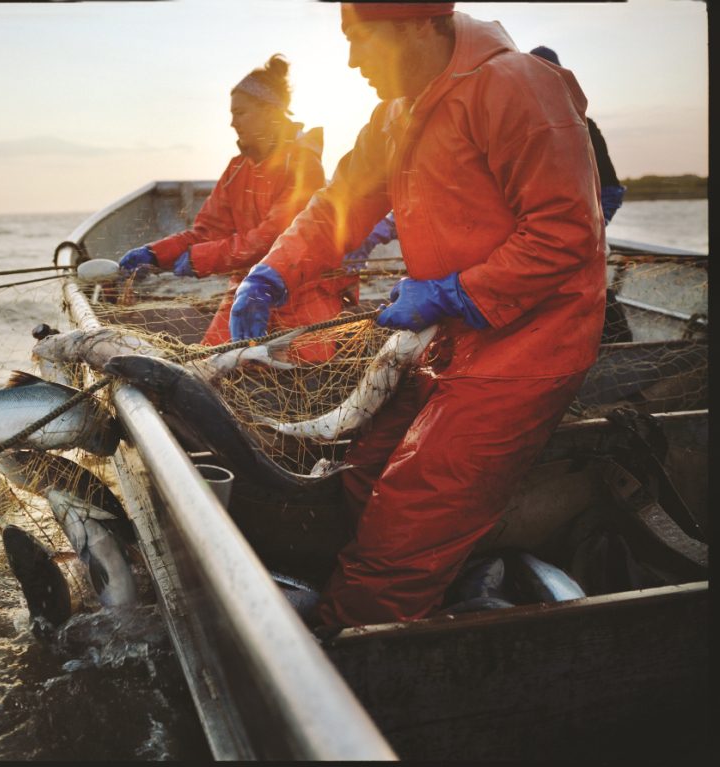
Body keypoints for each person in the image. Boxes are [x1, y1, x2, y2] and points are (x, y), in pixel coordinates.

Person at [229, 2, 607, 628]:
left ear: (414, 24)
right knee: (362, 471)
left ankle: (351, 651)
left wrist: (456, 292)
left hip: (531, 342)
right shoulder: (395, 113)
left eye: (360, 41)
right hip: (443, 337)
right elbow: (337, 206)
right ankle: (442, 581)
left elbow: (565, 232)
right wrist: (269, 272)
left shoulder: (514, 87)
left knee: (412, 507)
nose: (351, 62)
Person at [118, 54, 356, 362]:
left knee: (307, 372)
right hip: (246, 290)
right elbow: (206, 231)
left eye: (240, 112)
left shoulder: (302, 165)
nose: (232, 122)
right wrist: (155, 253)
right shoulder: (236, 168)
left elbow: (271, 240)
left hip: (303, 291)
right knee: (211, 364)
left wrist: (200, 258)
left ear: (270, 112)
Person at [529, 46, 626, 225]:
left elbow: (610, 190)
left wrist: (594, 228)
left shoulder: (586, 127)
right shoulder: (516, 130)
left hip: (577, 233)